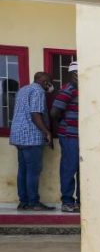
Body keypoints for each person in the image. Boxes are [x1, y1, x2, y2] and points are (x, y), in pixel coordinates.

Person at [9, 72, 54, 211]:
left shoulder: (23, 89)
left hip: (18, 136)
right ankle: (34, 202)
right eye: (49, 82)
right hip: (31, 137)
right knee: (33, 171)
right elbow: (35, 115)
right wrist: (47, 132)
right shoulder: (38, 91)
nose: (50, 85)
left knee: (23, 170)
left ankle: (23, 202)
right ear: (44, 81)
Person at [51, 61, 80, 213]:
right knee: (69, 168)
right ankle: (67, 202)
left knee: (83, 169)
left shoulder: (80, 89)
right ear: (72, 74)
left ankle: (81, 202)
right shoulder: (68, 90)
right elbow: (54, 112)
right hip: (70, 135)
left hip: (80, 135)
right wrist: (64, 127)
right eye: (76, 73)